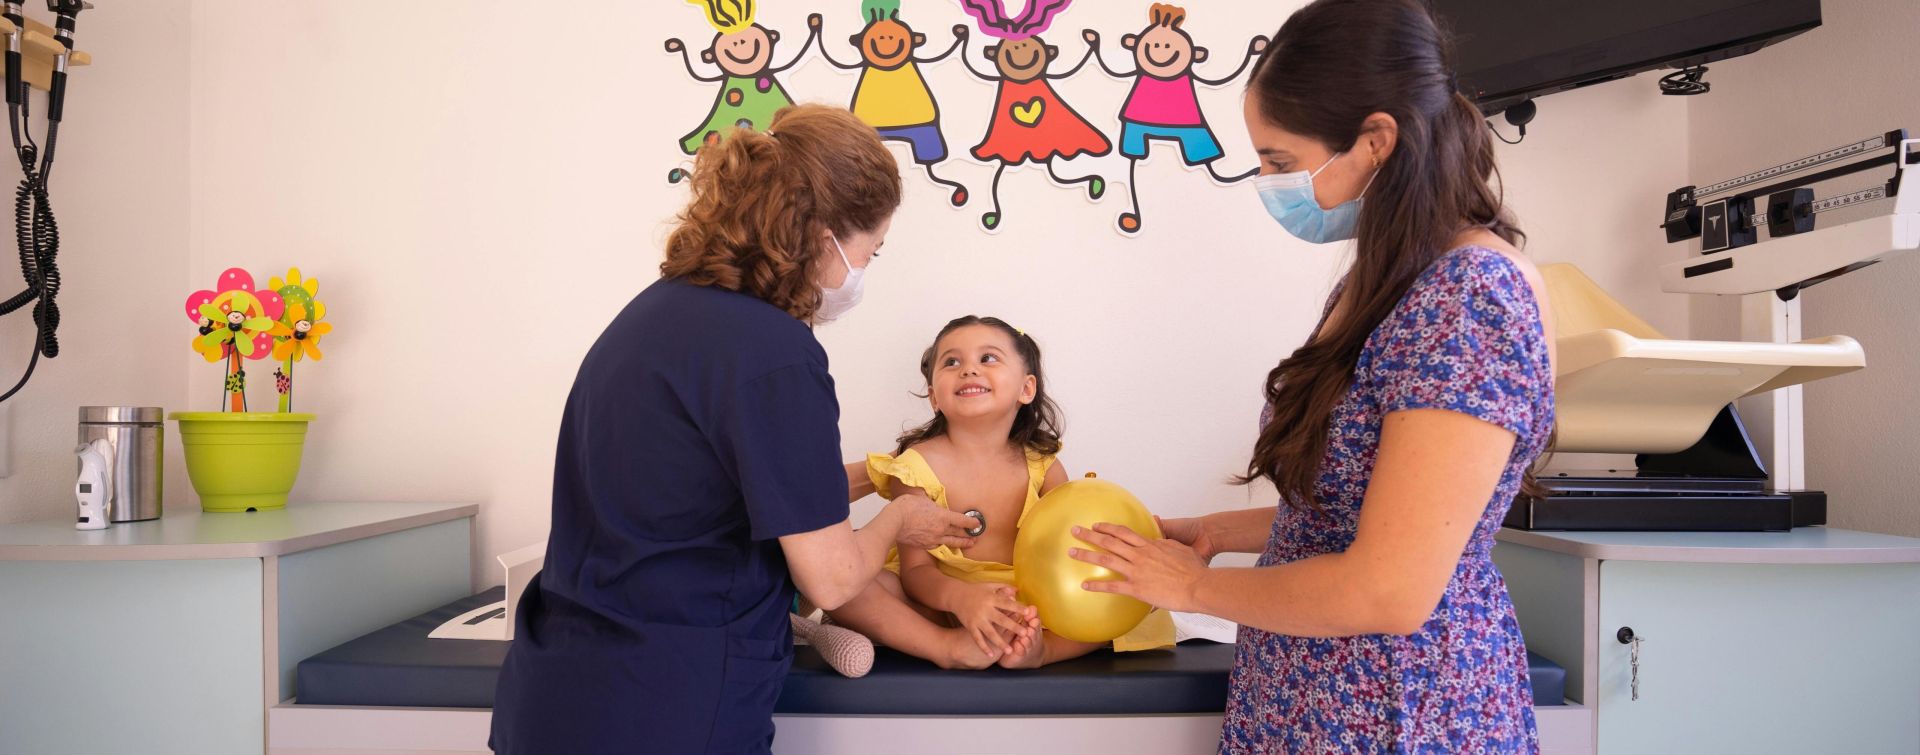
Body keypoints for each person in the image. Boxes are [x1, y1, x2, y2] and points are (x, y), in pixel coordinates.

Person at [1067, 0, 1559, 751]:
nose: (1267, 183)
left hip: (1397, 705)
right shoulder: (1385, 278)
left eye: (1279, 161)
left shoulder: (1471, 299)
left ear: (1375, 141)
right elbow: (1365, 504)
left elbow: (1389, 585)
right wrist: (1213, 534)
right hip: (1309, 693)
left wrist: (1190, 587)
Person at [490, 104, 981, 754]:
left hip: (556, 697)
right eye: (871, 252)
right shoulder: (776, 353)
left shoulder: (655, 313)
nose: (862, 274)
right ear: (822, 236)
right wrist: (901, 519)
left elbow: (721, 492)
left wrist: (878, 477)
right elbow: (831, 579)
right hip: (667, 707)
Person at [827, 316, 1171, 670]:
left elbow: (1070, 549)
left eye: (988, 358)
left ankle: (1043, 651)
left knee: (1129, 595)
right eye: (951, 362)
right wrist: (961, 599)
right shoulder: (914, 467)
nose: (968, 370)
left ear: (1026, 388)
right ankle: (943, 645)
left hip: (1032, 605)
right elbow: (916, 571)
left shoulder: (1043, 466)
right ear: (934, 397)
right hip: (940, 604)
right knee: (840, 577)